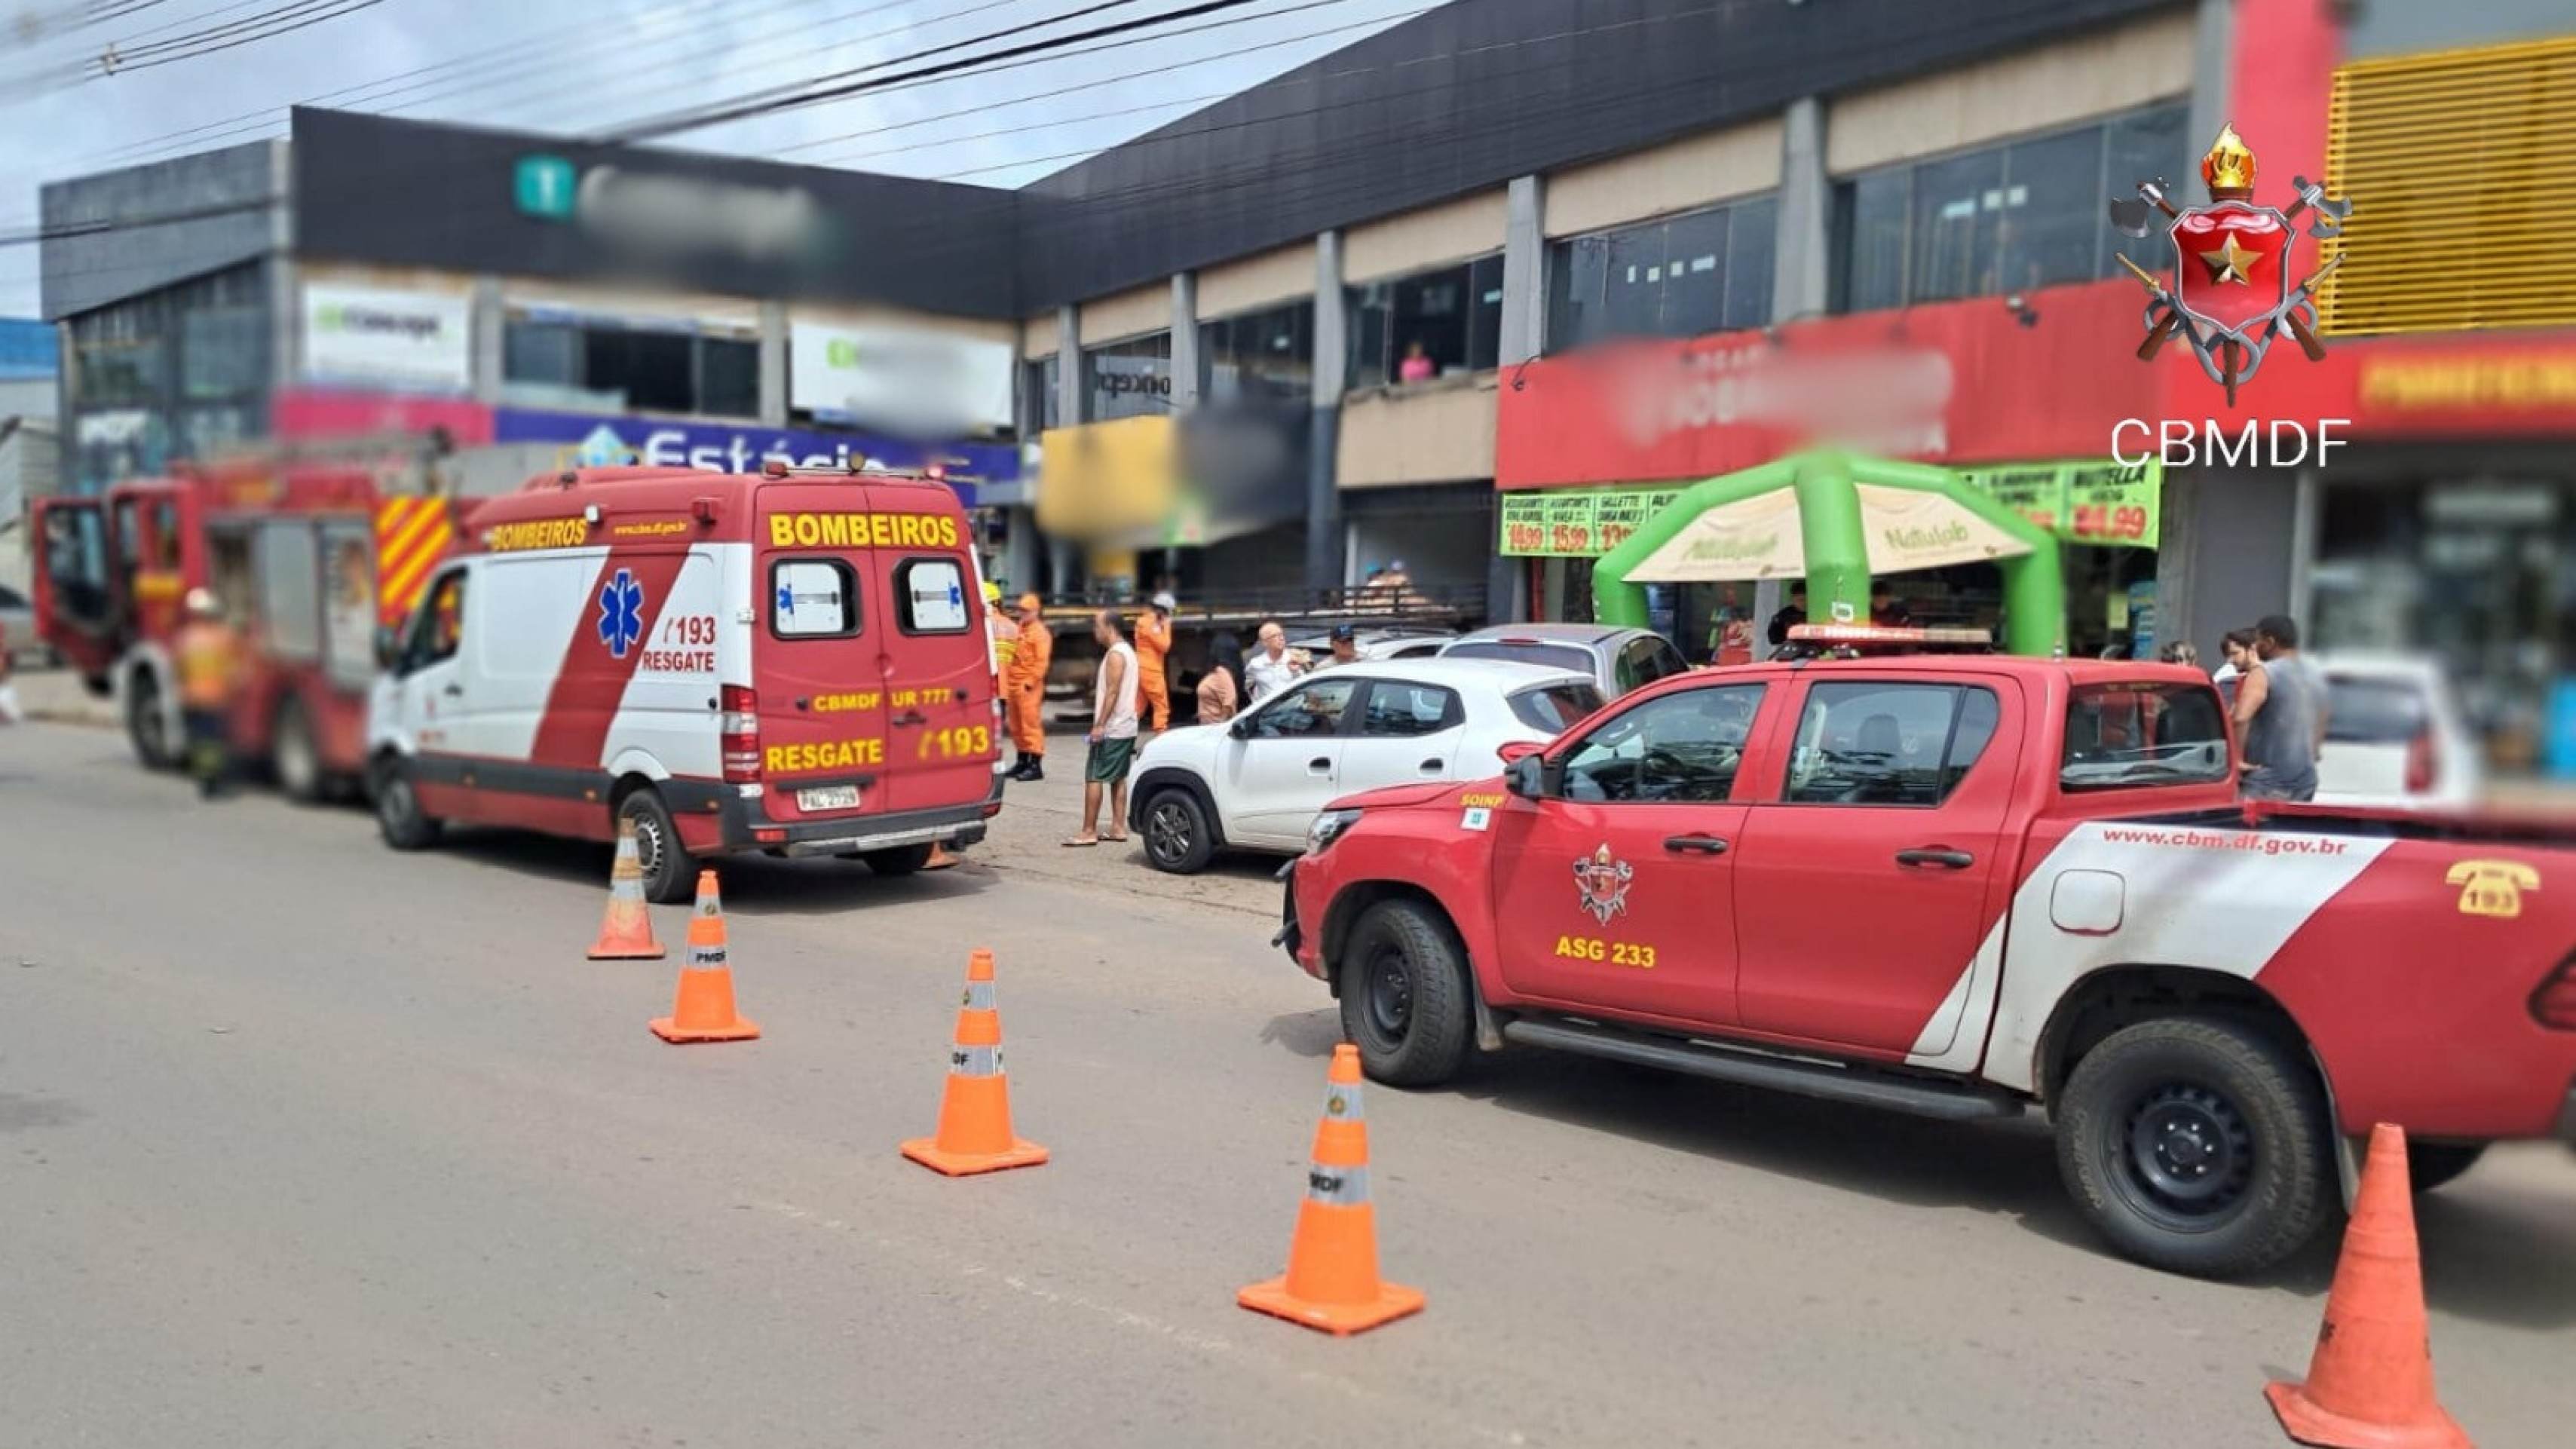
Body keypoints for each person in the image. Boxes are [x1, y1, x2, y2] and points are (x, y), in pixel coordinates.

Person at [1064, 609, 1139, 847]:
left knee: (1094, 775)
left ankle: (1088, 831)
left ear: (1110, 628)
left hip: (1113, 728)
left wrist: (1099, 725)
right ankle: (1118, 828)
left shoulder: (1116, 655)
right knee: (1118, 777)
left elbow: (1113, 693)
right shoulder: (1128, 651)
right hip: (1126, 726)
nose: (1094, 631)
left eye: (1097, 626)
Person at [2233, 614, 2321, 802]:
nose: (2254, 646)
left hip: (2267, 781)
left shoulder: (2264, 672)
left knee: (2250, 830)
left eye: (2258, 641)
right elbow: (2323, 714)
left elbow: (2241, 717)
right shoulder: (2313, 674)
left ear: (2270, 641)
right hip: (2305, 778)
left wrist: (2236, 760)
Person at [175, 587, 244, 798]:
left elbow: (179, 671)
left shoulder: (186, 638)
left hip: (192, 700)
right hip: (215, 699)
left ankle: (205, 779)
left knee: (201, 742)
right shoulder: (224, 637)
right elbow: (236, 668)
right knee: (213, 743)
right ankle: (212, 781)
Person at [1005, 593, 1052, 781]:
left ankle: (1035, 766)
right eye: (1020, 610)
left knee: (1030, 725)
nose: (1021, 613)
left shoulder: (1040, 633)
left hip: (1028, 687)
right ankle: (1022, 761)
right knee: (1016, 726)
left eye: (1025, 611)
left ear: (1035, 612)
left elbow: (1042, 663)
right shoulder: (1020, 629)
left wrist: (1029, 683)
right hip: (1014, 685)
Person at [1134, 590, 1175, 733]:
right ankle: (1161, 734)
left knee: (1138, 706)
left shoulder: (1145, 621)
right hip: (1151, 671)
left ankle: (1121, 736)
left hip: (1142, 669)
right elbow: (1165, 646)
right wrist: (1167, 626)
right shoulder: (1152, 624)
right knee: (1161, 705)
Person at [1244, 620, 1300, 703]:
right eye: (1275, 636)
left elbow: (1306, 685)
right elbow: (1245, 685)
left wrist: (1295, 672)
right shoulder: (1256, 664)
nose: (1281, 638)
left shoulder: (1294, 658)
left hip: (1293, 711)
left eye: (1281, 634)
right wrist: (1255, 703)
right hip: (1269, 714)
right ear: (1265, 642)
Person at [1197, 630, 1242, 724]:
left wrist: (1222, 722)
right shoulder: (1221, 671)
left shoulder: (1222, 672)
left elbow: (1230, 699)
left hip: (1214, 726)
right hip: (1210, 725)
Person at [1766, 583, 1809, 651]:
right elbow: (1773, 637)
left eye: (1806, 600)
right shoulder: (1784, 615)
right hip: (1790, 651)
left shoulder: (1816, 613)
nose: (1803, 603)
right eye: (1800, 600)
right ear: (1793, 599)